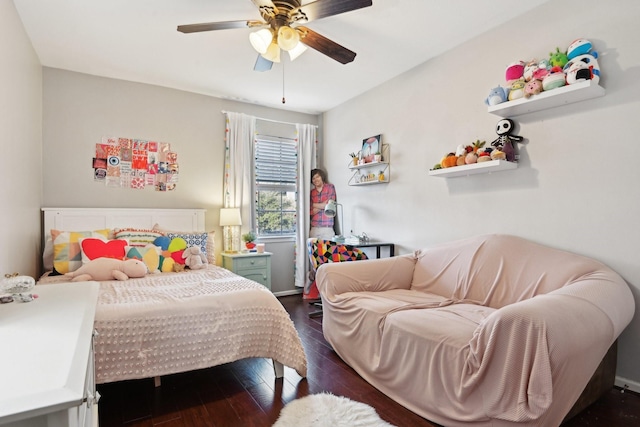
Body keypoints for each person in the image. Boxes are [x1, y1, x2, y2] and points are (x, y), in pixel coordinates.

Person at [309, 168, 337, 239]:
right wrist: (323, 205)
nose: (316, 180)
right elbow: (311, 211)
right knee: (314, 250)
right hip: (314, 228)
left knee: (328, 250)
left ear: (322, 177)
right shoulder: (311, 192)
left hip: (327, 228)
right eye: (313, 178)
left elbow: (329, 205)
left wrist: (314, 204)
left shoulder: (330, 187)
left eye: (317, 177)